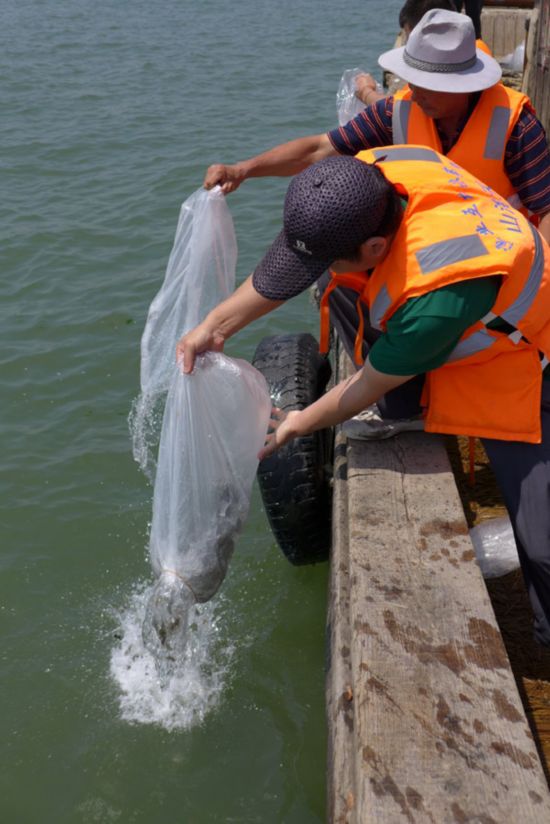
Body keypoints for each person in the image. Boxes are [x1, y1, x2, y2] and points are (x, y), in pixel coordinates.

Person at [177, 150, 550, 647]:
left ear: (376, 245)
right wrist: (213, 326)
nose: (316, 272)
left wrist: (300, 422)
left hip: (522, 359)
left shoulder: (434, 300)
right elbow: (290, 266)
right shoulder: (367, 180)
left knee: (543, 545)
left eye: (325, 260)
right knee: (348, 289)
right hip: (454, 319)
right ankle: (414, 408)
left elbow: (368, 384)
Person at [203, 8, 550, 432]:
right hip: (426, 254)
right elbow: (318, 149)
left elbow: (546, 212)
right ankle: (401, 396)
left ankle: (403, 390)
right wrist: (244, 169)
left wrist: (533, 288)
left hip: (492, 275)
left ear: (466, 85)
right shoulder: (400, 111)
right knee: (338, 276)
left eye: (432, 86)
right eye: (414, 80)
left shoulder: (516, 126)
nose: (417, 93)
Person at [355, 0, 458, 106]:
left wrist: (365, 92)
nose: (415, 97)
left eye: (409, 38)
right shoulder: (465, 55)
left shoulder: (432, 82)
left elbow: (396, 108)